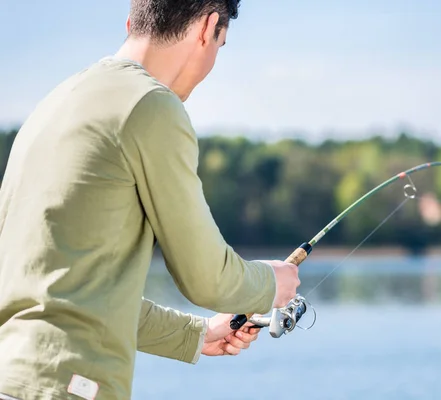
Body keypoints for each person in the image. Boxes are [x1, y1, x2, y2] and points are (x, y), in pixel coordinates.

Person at [0, 0, 301, 399]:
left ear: (132, 22)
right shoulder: (151, 105)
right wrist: (272, 283)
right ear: (208, 27)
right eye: (220, 44)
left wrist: (197, 335)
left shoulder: (52, 106)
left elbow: (67, 291)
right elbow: (207, 276)